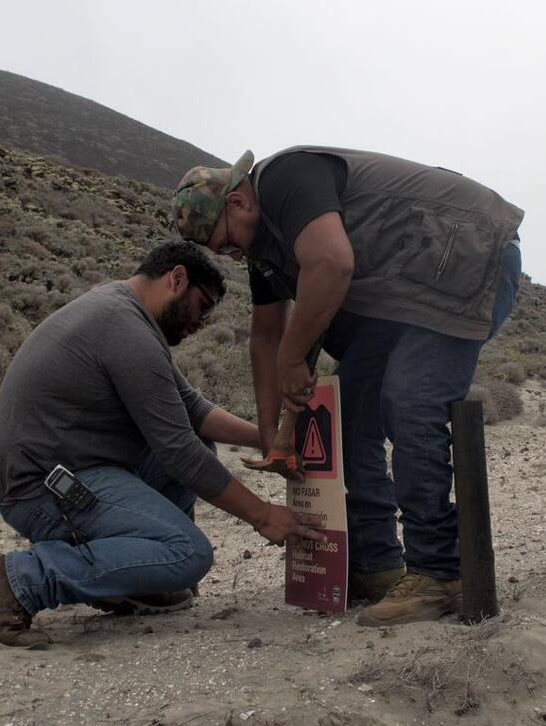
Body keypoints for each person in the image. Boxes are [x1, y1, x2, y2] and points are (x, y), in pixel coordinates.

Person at [171, 146, 524, 626]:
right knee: (350, 416)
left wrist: (294, 358)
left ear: (238, 202)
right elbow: (266, 335)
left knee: (410, 398)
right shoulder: (263, 248)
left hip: (467, 251)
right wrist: (273, 435)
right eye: (221, 252)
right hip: (406, 287)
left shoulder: (286, 177)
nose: (231, 255)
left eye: (226, 242)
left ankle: (440, 572)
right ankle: (377, 565)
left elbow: (333, 263)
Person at [0, 240, 321, 649]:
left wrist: (269, 438)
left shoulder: (124, 314)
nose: (202, 322)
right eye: (204, 306)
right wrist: (262, 515)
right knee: (187, 553)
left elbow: (192, 410)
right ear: (177, 279)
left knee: (199, 446)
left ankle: (139, 584)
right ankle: (19, 581)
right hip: (40, 489)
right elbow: (178, 450)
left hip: (70, 468)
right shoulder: (124, 328)